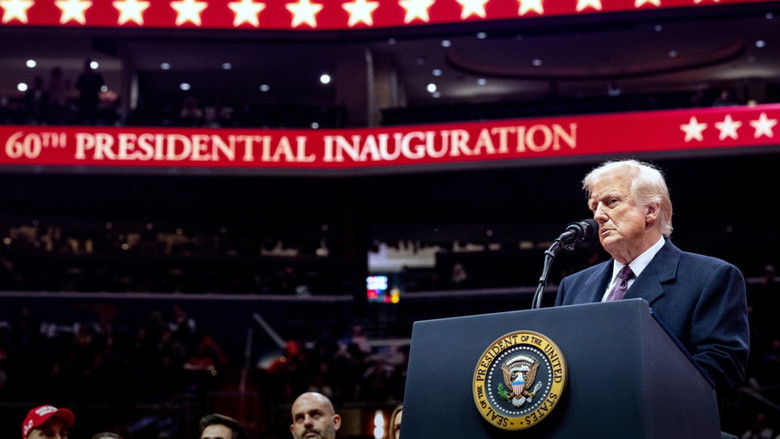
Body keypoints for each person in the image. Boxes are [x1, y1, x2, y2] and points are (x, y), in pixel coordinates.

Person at [555, 159, 749, 397]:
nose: (598, 216)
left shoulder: (711, 277)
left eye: (612, 202)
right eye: (594, 207)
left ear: (651, 210)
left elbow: (721, 367)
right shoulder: (573, 286)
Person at [75, 58, 104, 124]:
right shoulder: (82, 76)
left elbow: (100, 85)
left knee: (93, 118)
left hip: (93, 99)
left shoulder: (96, 76)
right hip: (84, 99)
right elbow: (77, 86)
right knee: (82, 118)